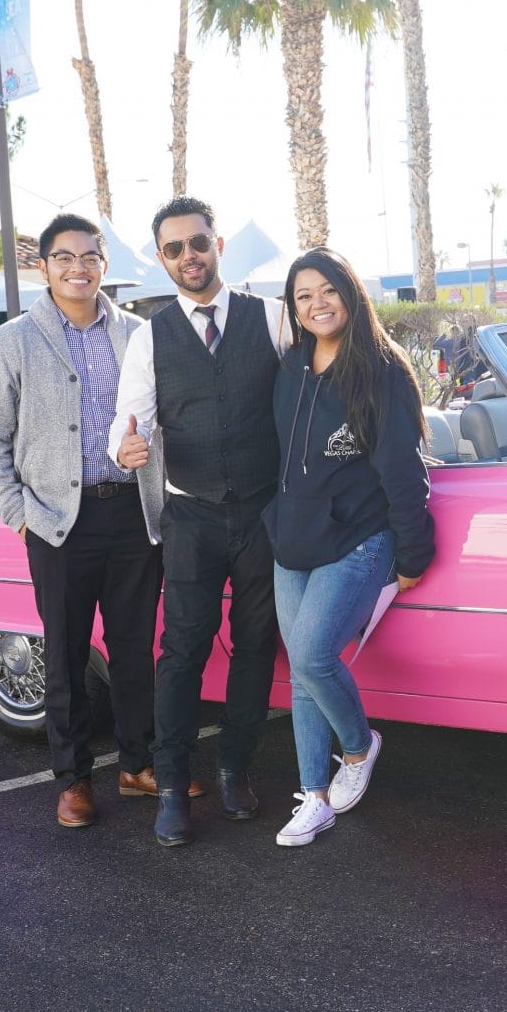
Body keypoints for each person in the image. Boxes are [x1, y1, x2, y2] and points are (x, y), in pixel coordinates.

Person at [0, 214, 171, 830]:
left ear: (104, 264)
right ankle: (74, 779)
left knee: (136, 650)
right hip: (58, 523)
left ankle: (138, 766)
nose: (78, 268)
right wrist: (19, 515)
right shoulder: (13, 341)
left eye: (89, 256)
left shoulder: (140, 335)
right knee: (64, 656)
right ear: (44, 266)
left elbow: (161, 418)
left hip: (133, 515)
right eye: (64, 258)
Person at [112, 195, 293, 846]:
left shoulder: (272, 318)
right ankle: (169, 785)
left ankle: (235, 767)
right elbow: (128, 420)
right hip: (190, 515)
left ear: (218, 244)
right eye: (174, 248)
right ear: (162, 260)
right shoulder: (148, 336)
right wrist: (123, 448)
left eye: (198, 242)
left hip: (262, 512)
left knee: (255, 645)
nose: (188, 255)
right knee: (182, 650)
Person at [264, 248, 435, 847]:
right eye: (303, 295)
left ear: (350, 293)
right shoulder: (290, 368)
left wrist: (412, 554)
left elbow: (403, 471)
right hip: (293, 542)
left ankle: (359, 749)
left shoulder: (380, 370)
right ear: (294, 307)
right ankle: (313, 798)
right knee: (300, 673)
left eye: (327, 290)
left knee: (311, 657)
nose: (317, 303)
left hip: (359, 538)